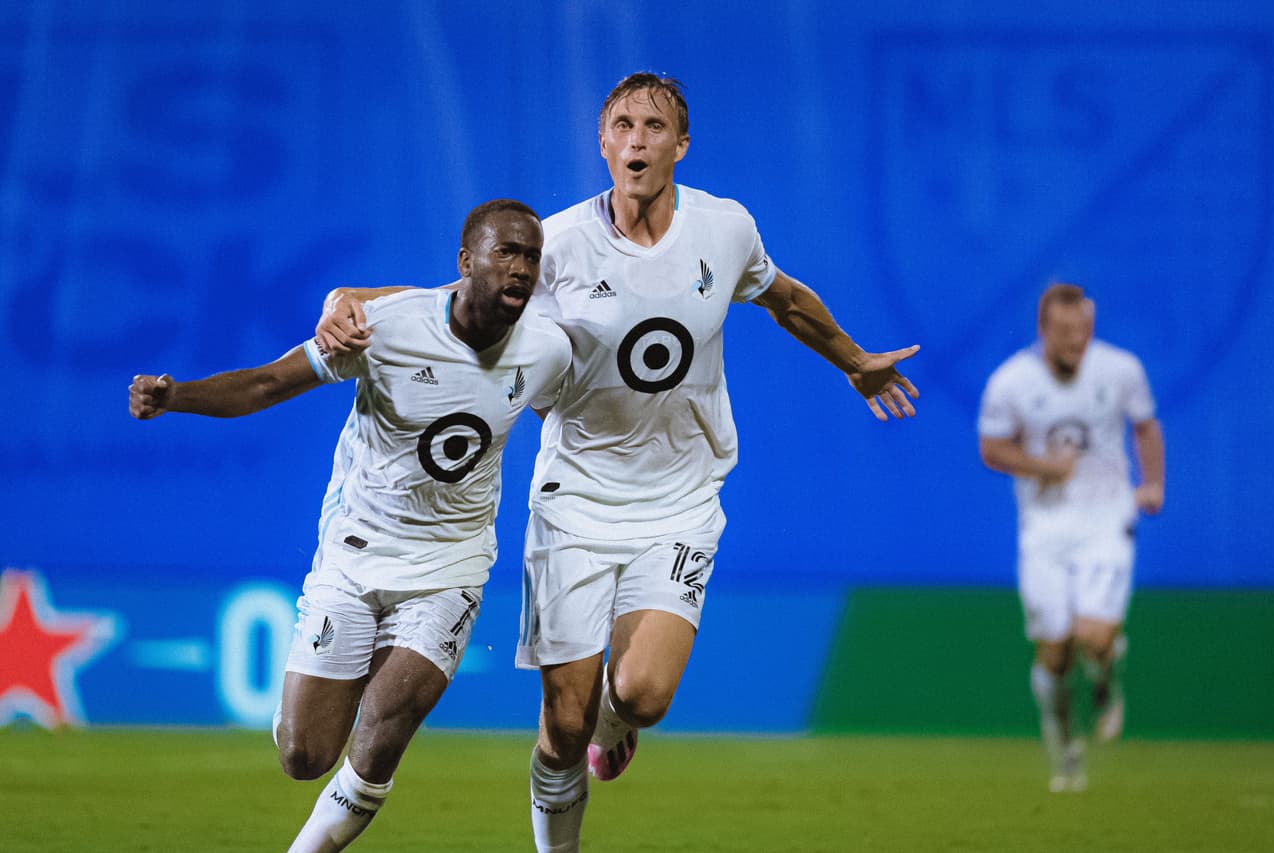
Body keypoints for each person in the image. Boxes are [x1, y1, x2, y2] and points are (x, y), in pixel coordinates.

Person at [315, 73, 920, 852]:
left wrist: (854, 361)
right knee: (561, 730)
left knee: (642, 693)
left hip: (680, 499)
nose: (638, 138)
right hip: (575, 502)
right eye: (623, 124)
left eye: (655, 125)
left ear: (681, 144)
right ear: (602, 142)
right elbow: (451, 299)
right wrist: (349, 298)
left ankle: (618, 718)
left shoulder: (725, 228)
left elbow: (784, 298)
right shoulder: (558, 243)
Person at [129, 200, 571, 852]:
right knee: (304, 754)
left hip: (451, 564)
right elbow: (266, 384)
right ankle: (334, 678)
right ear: (465, 261)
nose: (521, 268)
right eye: (506, 251)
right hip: (357, 552)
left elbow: (573, 425)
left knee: (388, 721)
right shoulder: (386, 329)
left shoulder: (547, 349)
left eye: (531, 256)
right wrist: (177, 397)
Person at [977, 282, 1165, 792]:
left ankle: (1107, 671)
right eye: (1064, 333)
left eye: (1083, 330)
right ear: (1043, 330)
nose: (1076, 341)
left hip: (1106, 519)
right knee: (1055, 651)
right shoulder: (1012, 381)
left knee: (1093, 635)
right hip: (1044, 528)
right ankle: (1064, 745)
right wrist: (1042, 466)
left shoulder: (1121, 370)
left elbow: (1145, 426)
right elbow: (992, 449)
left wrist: (1152, 483)